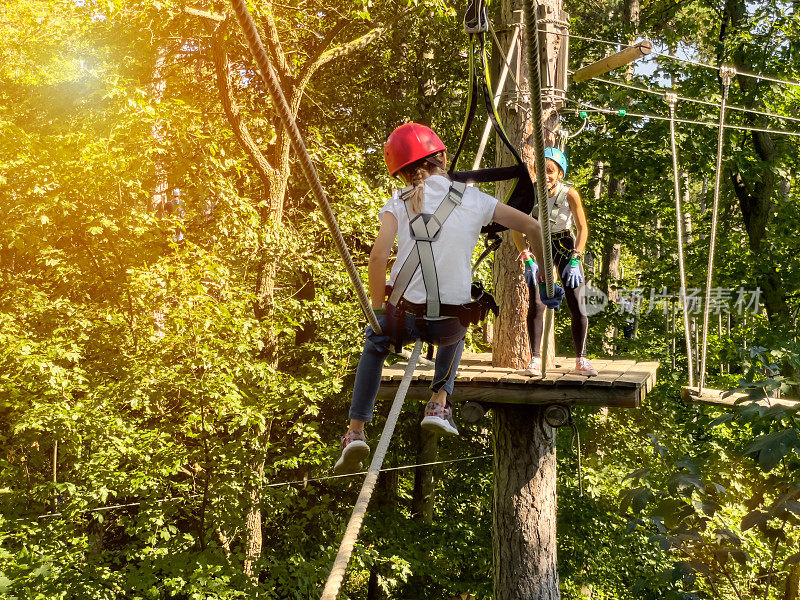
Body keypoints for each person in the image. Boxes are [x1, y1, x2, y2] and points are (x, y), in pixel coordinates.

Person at [334, 123, 564, 475]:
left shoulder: (396, 203)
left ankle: (355, 432)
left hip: (402, 316)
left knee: (376, 342)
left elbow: (378, 257)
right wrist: (546, 281)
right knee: (459, 324)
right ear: (441, 157)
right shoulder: (475, 199)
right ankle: (439, 403)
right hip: (446, 324)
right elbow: (533, 227)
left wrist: (379, 310)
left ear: (403, 172)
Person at [513, 146, 597, 378]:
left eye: (550, 171)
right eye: (541, 170)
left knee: (576, 302)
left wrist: (576, 257)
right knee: (537, 302)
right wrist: (526, 256)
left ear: (560, 174)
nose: (546, 175)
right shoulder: (530, 193)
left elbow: (582, 228)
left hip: (564, 246)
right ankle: (535, 358)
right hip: (539, 245)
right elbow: (516, 227)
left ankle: (581, 359)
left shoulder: (570, 194)